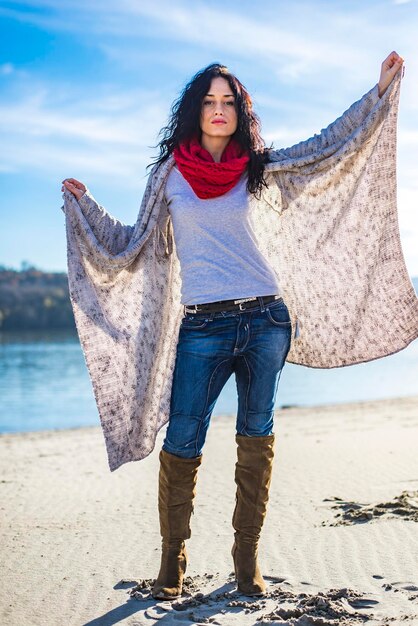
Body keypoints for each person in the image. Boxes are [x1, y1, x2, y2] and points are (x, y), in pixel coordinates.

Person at [61, 51, 415, 600]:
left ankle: (246, 556)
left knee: (256, 435)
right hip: (202, 325)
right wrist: (87, 208)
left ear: (239, 111)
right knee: (183, 438)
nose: (218, 110)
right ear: (195, 111)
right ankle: (171, 558)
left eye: (228, 101)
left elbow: (326, 147)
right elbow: (132, 242)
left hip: (266, 319)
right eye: (209, 101)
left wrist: (377, 95)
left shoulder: (258, 166)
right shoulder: (169, 177)